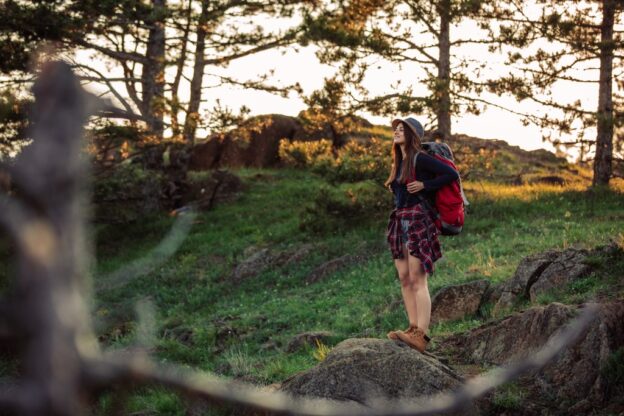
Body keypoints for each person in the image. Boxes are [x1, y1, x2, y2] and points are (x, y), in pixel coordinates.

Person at [384, 116, 459, 353]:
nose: (396, 131)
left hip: (418, 219)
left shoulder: (420, 158)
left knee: (418, 278)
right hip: (400, 220)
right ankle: (412, 328)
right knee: (405, 278)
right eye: (395, 128)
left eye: (401, 129)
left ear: (412, 134)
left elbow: (450, 174)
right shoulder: (399, 160)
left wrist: (425, 186)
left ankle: (422, 336)